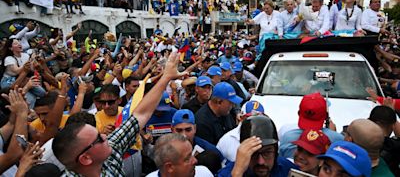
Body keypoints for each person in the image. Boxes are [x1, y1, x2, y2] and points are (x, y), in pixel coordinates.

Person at [52, 52, 187, 176]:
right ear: (86, 158)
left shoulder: (111, 152)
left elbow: (140, 115)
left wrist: (166, 77)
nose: (105, 137)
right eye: (98, 139)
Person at [219, 115, 297, 177]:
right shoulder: (228, 173)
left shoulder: (287, 169)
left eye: (267, 153)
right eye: (253, 153)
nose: (260, 162)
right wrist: (237, 173)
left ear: (275, 152)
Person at [279, 92, 344, 158]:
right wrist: (332, 134)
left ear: (299, 113)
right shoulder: (339, 139)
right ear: (326, 116)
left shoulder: (287, 137)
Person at [147, 133, 213, 177]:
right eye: (187, 159)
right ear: (169, 167)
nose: (195, 160)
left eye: (192, 154)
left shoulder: (204, 173)